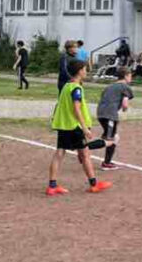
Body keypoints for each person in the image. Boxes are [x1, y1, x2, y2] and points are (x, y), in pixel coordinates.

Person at [47, 60, 113, 195]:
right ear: (79, 71)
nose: (86, 72)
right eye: (85, 69)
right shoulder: (76, 88)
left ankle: (52, 186)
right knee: (85, 154)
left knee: (59, 153)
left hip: (64, 125)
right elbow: (76, 109)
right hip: (74, 127)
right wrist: (84, 128)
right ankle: (94, 184)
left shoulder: (67, 86)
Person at [96, 67, 134, 171]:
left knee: (112, 137)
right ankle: (85, 149)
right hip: (110, 115)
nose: (131, 78)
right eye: (130, 75)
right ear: (126, 76)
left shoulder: (109, 86)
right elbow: (125, 104)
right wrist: (125, 109)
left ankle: (106, 162)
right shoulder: (124, 87)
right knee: (111, 140)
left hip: (100, 113)